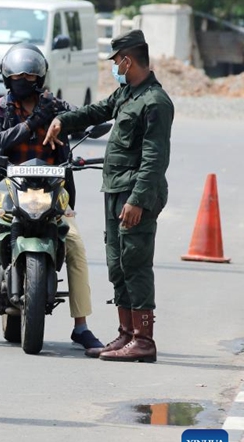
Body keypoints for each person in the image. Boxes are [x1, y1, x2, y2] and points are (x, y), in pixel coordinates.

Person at [0, 44, 104, 352]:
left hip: (53, 190)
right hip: (5, 188)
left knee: (76, 247)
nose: (23, 80)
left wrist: (76, 125)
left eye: (29, 75)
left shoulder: (56, 105)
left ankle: (81, 326)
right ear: (6, 78)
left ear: (40, 77)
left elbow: (81, 122)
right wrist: (33, 123)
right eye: (17, 76)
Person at [43, 30, 172, 363]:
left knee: (135, 263)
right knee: (118, 264)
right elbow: (96, 112)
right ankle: (126, 334)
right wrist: (61, 120)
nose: (115, 67)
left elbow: (155, 158)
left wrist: (139, 200)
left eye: (116, 61)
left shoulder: (155, 101)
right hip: (115, 190)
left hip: (134, 194)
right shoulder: (128, 93)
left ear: (127, 59)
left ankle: (144, 340)